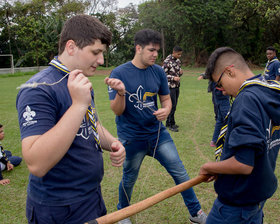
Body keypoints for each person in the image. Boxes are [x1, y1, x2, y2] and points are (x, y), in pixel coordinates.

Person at [16, 15, 126, 224]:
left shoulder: (78, 80)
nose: (101, 60)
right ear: (71, 46)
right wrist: (78, 105)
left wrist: (112, 142)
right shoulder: (39, 89)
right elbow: (36, 163)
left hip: (90, 197)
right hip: (58, 208)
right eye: (96, 52)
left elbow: (89, 125)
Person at [105, 29, 207, 224]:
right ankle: (122, 214)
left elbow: (166, 100)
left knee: (180, 173)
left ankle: (196, 213)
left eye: (157, 51)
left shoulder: (158, 71)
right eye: (151, 50)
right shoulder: (119, 73)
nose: (155, 55)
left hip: (158, 134)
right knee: (129, 178)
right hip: (132, 137)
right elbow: (117, 111)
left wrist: (166, 110)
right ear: (138, 48)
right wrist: (120, 93)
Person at [199, 47, 280, 223]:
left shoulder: (246, 100)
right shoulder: (268, 92)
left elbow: (244, 164)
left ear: (229, 71)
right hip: (257, 197)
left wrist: (209, 167)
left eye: (219, 84)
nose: (221, 90)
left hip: (235, 206)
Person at [162, 46, 183, 132]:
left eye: (181, 54)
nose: (180, 56)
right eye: (178, 54)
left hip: (177, 86)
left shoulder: (178, 61)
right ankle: (171, 124)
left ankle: (169, 122)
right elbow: (163, 75)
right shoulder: (167, 61)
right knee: (172, 105)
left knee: (174, 105)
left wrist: (180, 73)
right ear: (173, 52)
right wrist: (173, 78)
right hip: (170, 87)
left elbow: (177, 73)